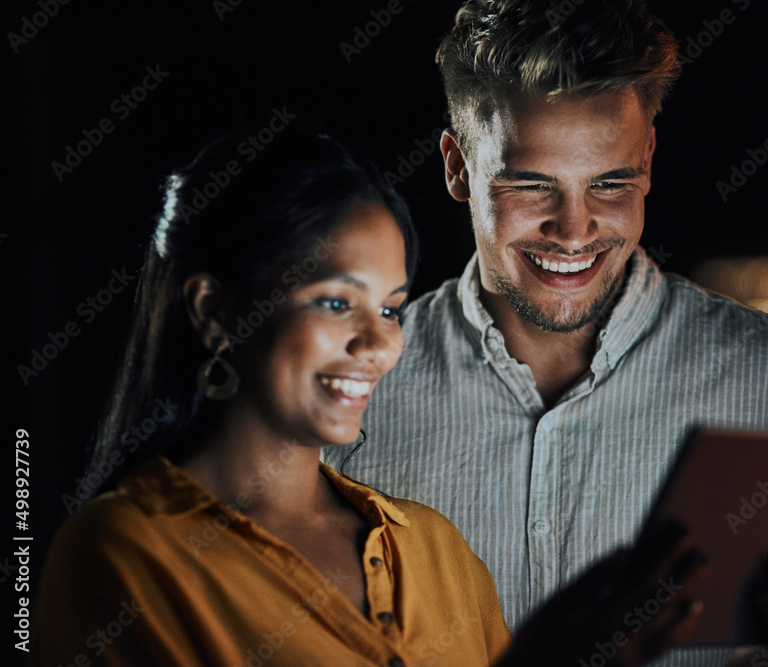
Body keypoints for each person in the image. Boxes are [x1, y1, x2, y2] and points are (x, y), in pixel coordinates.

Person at [336, 1, 768, 665]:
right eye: (531, 184)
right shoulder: (351, 387)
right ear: (457, 166)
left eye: (610, 183)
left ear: (649, 157)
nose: (574, 229)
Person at [32, 126, 708, 666]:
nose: (377, 344)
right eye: (335, 301)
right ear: (216, 312)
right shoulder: (122, 555)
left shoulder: (434, 550)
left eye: (389, 309)